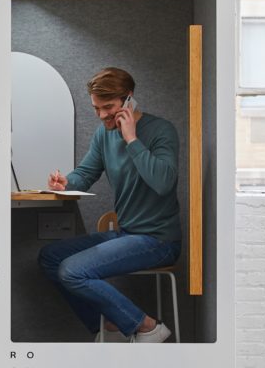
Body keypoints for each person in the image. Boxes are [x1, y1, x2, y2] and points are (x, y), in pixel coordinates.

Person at [38, 67, 181, 343]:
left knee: (73, 271)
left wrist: (131, 139)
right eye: (96, 108)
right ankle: (111, 329)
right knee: (50, 258)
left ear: (129, 99)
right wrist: (65, 183)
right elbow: (86, 174)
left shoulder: (161, 131)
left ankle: (146, 326)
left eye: (109, 107)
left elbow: (163, 182)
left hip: (159, 240)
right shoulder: (104, 135)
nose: (102, 115)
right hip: (127, 233)